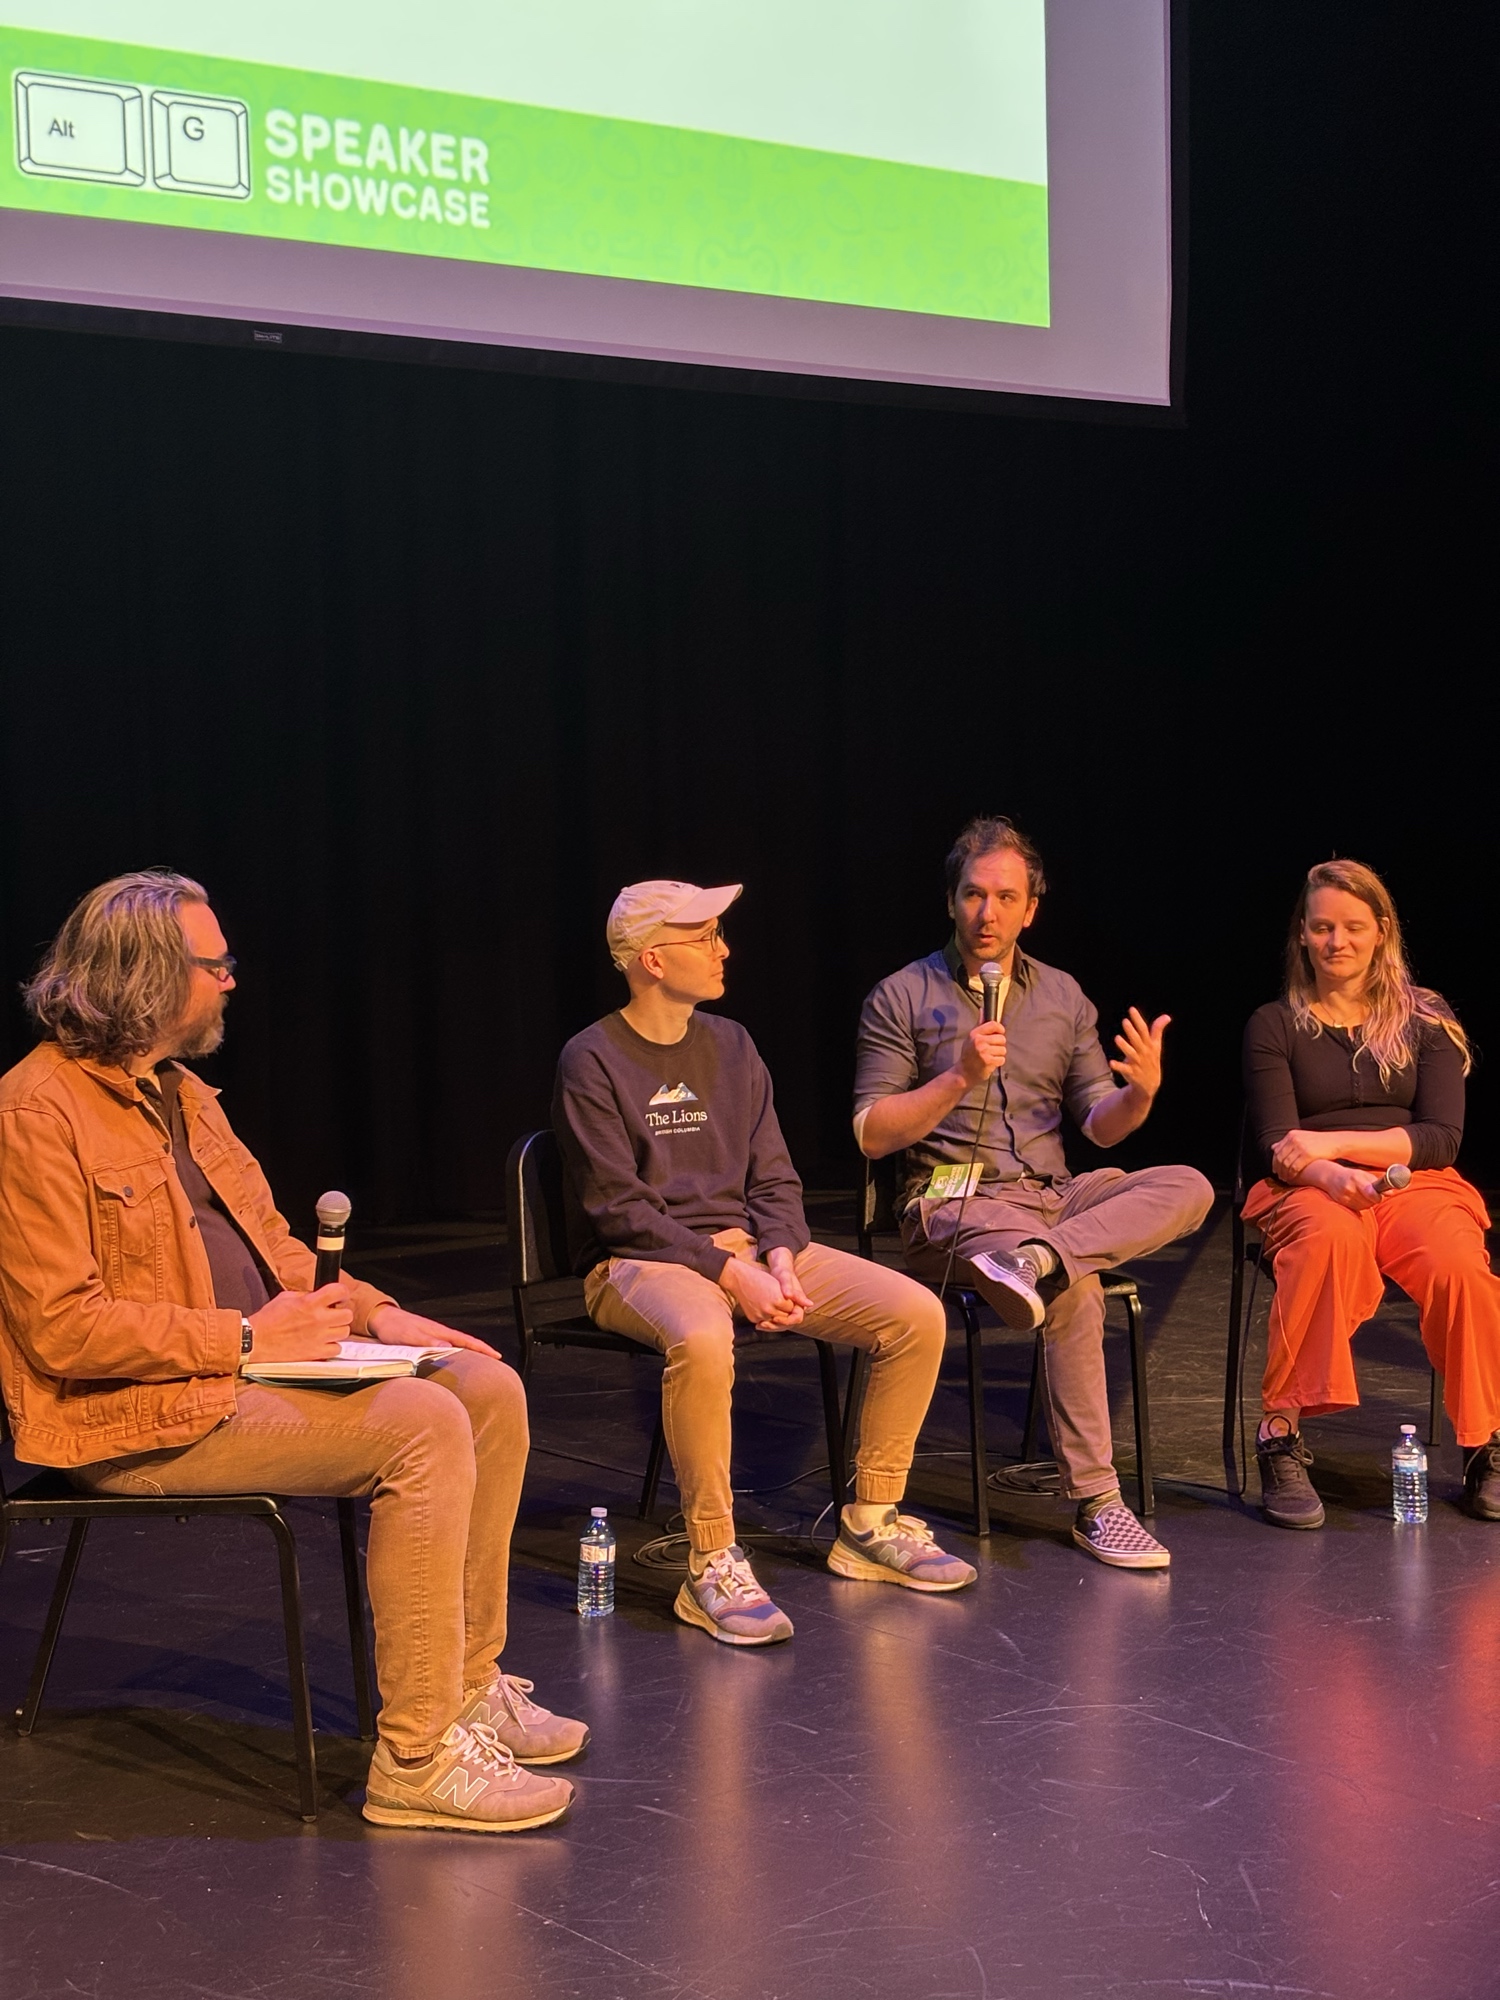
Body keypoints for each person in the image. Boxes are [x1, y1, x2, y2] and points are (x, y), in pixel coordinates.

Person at [0, 871, 585, 1834]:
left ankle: (465, 1686)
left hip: (246, 1373)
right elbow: (61, 1327)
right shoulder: (36, 1112)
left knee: (486, 1387)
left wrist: (379, 1315)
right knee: (421, 1427)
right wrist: (241, 1338)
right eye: (216, 963)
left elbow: (278, 1250)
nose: (231, 979)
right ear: (148, 975)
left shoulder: (183, 1095)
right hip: (132, 1417)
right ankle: (416, 1760)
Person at [553, 879, 976, 1646]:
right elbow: (618, 1210)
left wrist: (778, 1256)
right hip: (638, 1263)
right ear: (654, 959)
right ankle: (711, 1559)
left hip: (747, 1249)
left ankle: (871, 1522)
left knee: (915, 1313)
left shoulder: (734, 1045)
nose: (725, 950)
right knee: (703, 1338)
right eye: (706, 937)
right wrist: (726, 1272)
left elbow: (775, 1176)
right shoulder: (591, 1058)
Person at [854, 817, 1213, 1572]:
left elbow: (1100, 1125)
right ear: (951, 901)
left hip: (1053, 1198)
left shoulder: (1062, 995)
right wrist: (958, 1077)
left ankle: (1041, 1258)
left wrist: (1140, 1095)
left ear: (1031, 909)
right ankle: (1099, 1504)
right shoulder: (901, 994)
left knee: (1189, 1185)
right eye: (973, 895)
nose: (988, 913)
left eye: (1006, 897)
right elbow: (872, 1135)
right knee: (1075, 1289)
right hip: (953, 1205)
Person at [1242, 858, 1499, 1528]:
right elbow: (1277, 1143)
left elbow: (1441, 1138)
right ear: (1302, 934)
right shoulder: (1274, 1024)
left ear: (1382, 931)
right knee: (1325, 1240)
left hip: (1414, 1182)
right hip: (1311, 1187)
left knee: (1458, 1265)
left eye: (1354, 927)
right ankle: (1279, 1434)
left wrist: (1330, 1146)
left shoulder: (1426, 1019)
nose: (1338, 941)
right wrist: (1333, 1174)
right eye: (1322, 927)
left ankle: (1484, 1441)